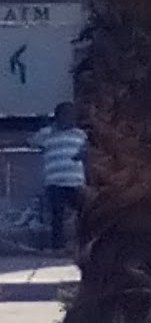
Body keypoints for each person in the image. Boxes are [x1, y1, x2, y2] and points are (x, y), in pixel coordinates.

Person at [31, 102, 87, 252]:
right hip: (55, 181)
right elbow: (31, 142)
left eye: (72, 115)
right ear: (58, 117)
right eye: (66, 114)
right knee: (57, 215)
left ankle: (82, 244)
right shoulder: (46, 133)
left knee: (84, 213)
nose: (70, 118)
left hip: (76, 182)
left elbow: (86, 151)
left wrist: (82, 155)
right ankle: (58, 247)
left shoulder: (80, 135)